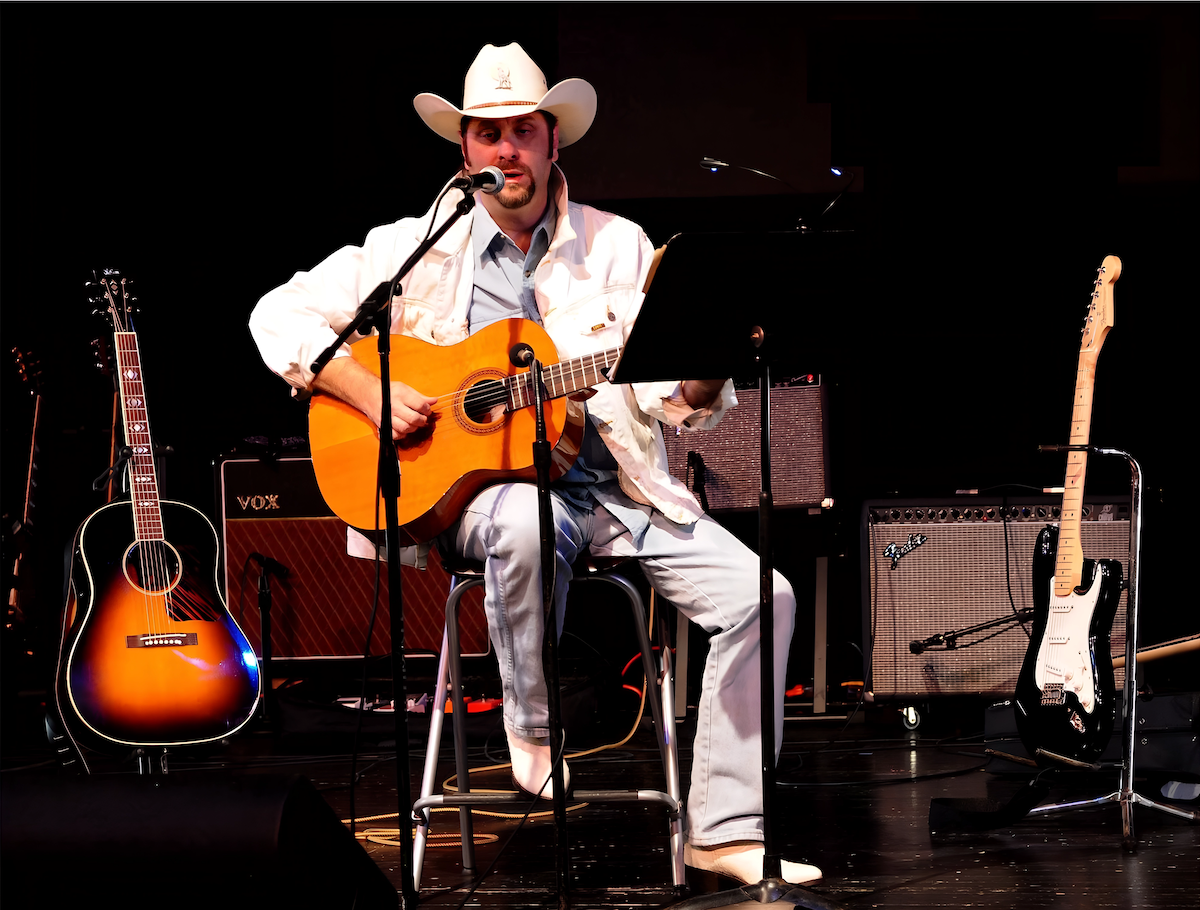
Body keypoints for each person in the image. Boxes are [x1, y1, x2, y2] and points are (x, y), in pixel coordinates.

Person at [249, 43, 819, 886]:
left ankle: (725, 831)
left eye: (523, 131)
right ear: (465, 150)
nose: (506, 150)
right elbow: (275, 315)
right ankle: (532, 726)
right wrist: (367, 389)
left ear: (555, 142)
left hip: (619, 491)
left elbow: (674, 397)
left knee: (766, 598)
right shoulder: (412, 249)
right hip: (479, 500)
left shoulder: (619, 246)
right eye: (489, 134)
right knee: (523, 515)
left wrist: (704, 370)